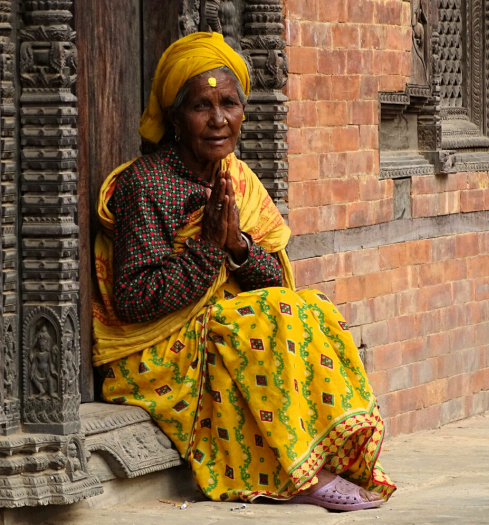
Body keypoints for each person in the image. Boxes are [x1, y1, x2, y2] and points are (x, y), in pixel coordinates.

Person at [92, 31, 395, 511]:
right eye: (201, 106)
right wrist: (208, 249)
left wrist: (235, 243)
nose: (218, 120)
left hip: (218, 323)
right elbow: (133, 300)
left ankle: (334, 455)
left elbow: (276, 279)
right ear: (174, 117)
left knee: (307, 307)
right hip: (155, 353)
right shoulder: (145, 185)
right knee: (262, 319)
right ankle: (300, 474)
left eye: (229, 103)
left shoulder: (237, 178)